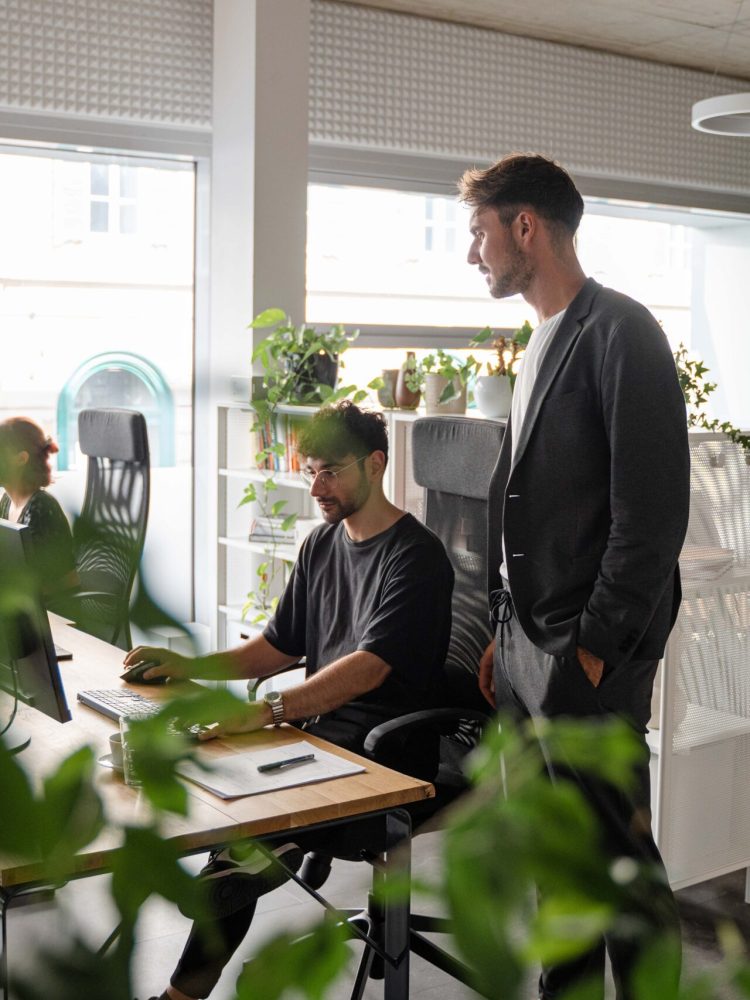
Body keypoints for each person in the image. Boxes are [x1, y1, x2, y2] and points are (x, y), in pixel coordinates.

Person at [125, 400, 454, 1000]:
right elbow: (279, 645)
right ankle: (227, 892)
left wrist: (268, 711)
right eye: (310, 471)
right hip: (317, 739)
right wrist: (189, 666)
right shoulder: (320, 544)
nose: (317, 486)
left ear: (376, 463)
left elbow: (368, 667)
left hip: (385, 759)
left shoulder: (417, 556)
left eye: (331, 470)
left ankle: (185, 985)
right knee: (223, 785)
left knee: (244, 833)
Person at [459, 154, 690, 1000]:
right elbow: (527, 504)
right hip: (527, 646)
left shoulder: (620, 332)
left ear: (526, 227)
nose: (473, 253)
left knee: (620, 870)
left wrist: (590, 650)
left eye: (480, 233)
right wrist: (502, 630)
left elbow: (652, 515)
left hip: (585, 655)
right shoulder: (537, 344)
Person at [0, 416, 77, 607]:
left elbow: (69, 580)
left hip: (49, 616)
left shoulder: (42, 508)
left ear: (21, 459)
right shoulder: (6, 502)